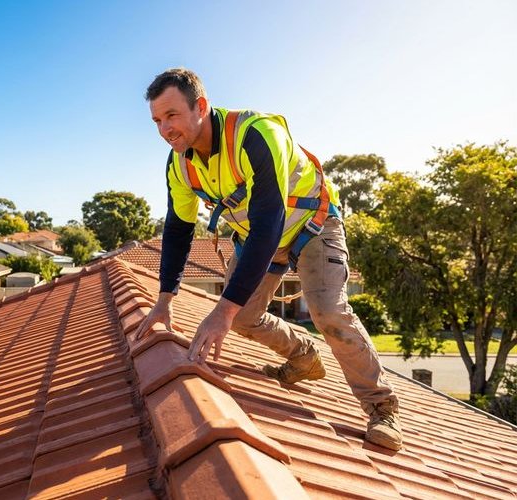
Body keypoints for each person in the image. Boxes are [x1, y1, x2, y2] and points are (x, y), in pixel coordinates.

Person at [135, 68, 402, 451]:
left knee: (327, 311)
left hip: (311, 225)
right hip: (259, 236)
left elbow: (269, 221)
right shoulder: (179, 164)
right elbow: (178, 230)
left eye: (172, 115)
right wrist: (164, 300)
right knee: (243, 316)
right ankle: (303, 358)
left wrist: (221, 311)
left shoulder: (256, 134)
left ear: (201, 107)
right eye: (157, 121)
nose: (165, 129)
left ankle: (382, 408)